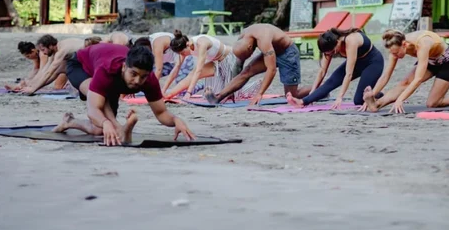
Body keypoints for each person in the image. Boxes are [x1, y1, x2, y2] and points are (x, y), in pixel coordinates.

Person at [52, 43, 194, 146]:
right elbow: (93, 109)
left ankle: (69, 122)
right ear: (124, 67)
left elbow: (161, 112)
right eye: (133, 74)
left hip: (110, 82)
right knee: (103, 115)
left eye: (143, 76)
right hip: (80, 65)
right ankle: (118, 126)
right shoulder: (107, 69)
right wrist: (107, 122)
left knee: (98, 130)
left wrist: (176, 120)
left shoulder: (149, 80)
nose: (137, 81)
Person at [360, 30, 449, 114]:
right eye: (393, 54)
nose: (395, 56)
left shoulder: (422, 43)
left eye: (396, 53)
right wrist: (373, 94)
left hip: (447, 62)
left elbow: (418, 79)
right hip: (429, 60)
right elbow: (386, 75)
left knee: (432, 103)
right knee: (405, 83)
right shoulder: (395, 46)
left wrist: (400, 99)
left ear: (404, 44)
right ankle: (376, 104)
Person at [204, 24, 310, 106]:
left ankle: (317, 90)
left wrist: (259, 94)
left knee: (292, 96)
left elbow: (271, 70)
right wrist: (230, 92)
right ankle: (218, 97)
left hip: (287, 53)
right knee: (247, 71)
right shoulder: (243, 37)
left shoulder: (263, 39)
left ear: (250, 47)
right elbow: (239, 68)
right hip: (271, 52)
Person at [286, 27, 384, 109]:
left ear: (337, 42)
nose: (331, 55)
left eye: (333, 52)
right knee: (331, 81)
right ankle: (302, 102)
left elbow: (348, 74)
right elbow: (322, 71)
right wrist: (311, 94)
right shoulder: (328, 45)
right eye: (328, 54)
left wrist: (339, 97)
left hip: (373, 63)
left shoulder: (351, 40)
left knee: (358, 100)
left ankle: (377, 94)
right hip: (357, 63)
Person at [163, 30, 261, 101]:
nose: (183, 55)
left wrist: (189, 93)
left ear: (187, 45)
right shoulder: (184, 48)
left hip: (230, 58)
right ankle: (169, 93)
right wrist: (165, 91)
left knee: (229, 95)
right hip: (217, 62)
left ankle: (258, 84)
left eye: (182, 53)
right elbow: (176, 68)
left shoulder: (201, 43)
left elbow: (198, 70)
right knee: (209, 95)